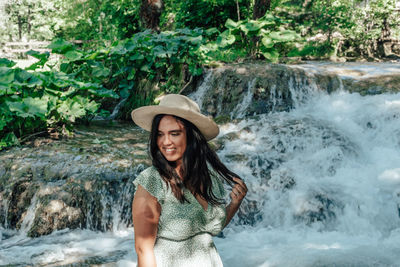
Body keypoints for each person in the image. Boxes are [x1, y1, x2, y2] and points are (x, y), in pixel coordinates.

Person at [131, 94, 247, 267]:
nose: (166, 142)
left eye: (174, 133)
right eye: (160, 134)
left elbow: (209, 228)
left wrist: (234, 204)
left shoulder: (209, 176)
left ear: (192, 136)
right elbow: (143, 250)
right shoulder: (152, 181)